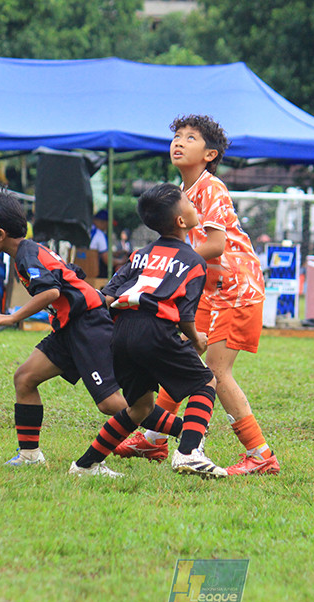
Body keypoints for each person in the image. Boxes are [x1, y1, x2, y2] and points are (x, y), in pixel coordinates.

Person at [0, 190, 196, 471]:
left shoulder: (27, 254)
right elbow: (67, 277)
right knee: (25, 378)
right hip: (69, 327)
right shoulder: (26, 252)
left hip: (88, 324)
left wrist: (10, 317)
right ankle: (30, 455)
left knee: (113, 404)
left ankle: (188, 432)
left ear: (0, 234)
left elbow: (51, 291)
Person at [118, 114, 279, 476]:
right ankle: (155, 438)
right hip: (210, 288)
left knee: (217, 372)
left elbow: (217, 244)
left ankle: (260, 453)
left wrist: (166, 262)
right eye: (176, 136)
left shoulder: (212, 188)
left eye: (190, 138)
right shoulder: (182, 194)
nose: (179, 142)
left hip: (236, 288)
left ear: (210, 154)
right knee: (182, 358)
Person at [72, 183, 227, 478]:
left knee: (140, 408)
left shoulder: (139, 254)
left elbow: (107, 296)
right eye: (189, 204)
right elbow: (184, 315)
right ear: (182, 221)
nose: (194, 206)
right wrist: (196, 340)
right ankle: (189, 453)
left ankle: (85, 464)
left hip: (122, 333)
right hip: (154, 329)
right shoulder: (194, 261)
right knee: (205, 382)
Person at [90, 210, 110, 278]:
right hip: (94, 273)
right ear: (103, 222)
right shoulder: (100, 234)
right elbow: (107, 260)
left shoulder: (87, 229)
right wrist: (121, 261)